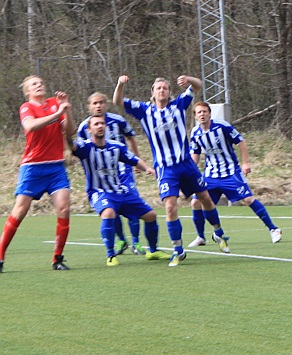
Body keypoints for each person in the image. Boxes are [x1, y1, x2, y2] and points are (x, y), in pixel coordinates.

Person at [113, 74, 230, 267]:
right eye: (158, 88)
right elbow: (117, 101)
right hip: (165, 168)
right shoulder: (144, 110)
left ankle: (218, 233)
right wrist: (120, 84)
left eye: (165, 88)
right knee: (170, 206)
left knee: (205, 198)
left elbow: (198, 85)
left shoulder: (179, 104)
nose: (162, 91)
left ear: (169, 92)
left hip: (186, 164)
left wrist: (189, 79)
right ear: (153, 93)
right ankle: (178, 249)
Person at [68, 114, 169, 265]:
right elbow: (71, 145)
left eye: (102, 123)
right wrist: (66, 130)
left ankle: (153, 251)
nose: (100, 126)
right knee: (108, 213)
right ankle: (111, 255)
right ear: (89, 129)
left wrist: (148, 168)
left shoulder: (116, 146)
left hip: (120, 190)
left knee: (151, 215)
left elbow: (133, 159)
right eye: (96, 124)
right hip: (99, 191)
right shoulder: (85, 147)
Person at [0, 75, 76, 273]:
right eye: (34, 84)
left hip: (55, 167)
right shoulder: (27, 107)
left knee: (64, 208)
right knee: (19, 212)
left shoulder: (54, 103)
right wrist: (57, 113)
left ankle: (57, 258)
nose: (39, 85)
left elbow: (70, 131)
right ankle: (0, 256)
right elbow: (30, 126)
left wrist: (66, 109)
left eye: (41, 83)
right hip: (33, 167)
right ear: (27, 91)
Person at [188, 101, 282, 246]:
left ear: (209, 113)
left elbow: (241, 141)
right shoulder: (195, 133)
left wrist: (246, 163)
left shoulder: (222, 126)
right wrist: (190, 173)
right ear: (195, 116)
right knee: (196, 202)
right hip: (210, 175)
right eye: (199, 112)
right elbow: (195, 154)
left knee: (248, 199)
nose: (202, 114)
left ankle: (273, 229)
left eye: (205, 111)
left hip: (231, 172)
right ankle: (201, 237)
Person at [78, 92, 145, 256]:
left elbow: (130, 137)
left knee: (132, 200)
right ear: (89, 106)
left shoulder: (118, 120)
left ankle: (136, 242)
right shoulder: (84, 127)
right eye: (95, 103)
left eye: (101, 102)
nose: (98, 106)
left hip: (123, 169)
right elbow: (80, 151)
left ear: (106, 104)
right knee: (111, 207)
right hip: (103, 176)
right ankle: (121, 239)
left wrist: (137, 160)